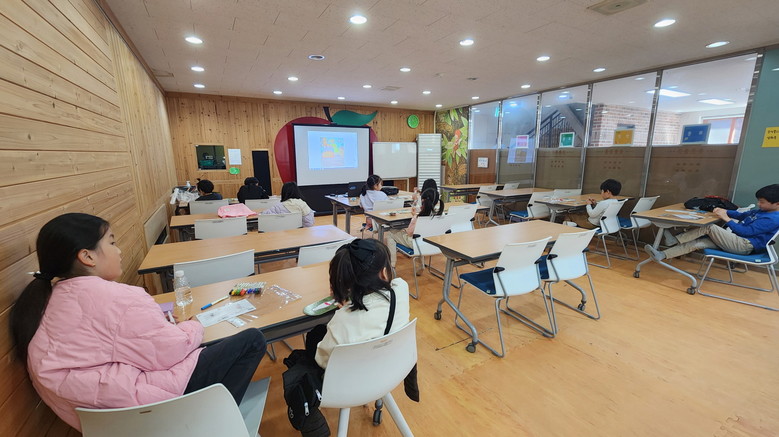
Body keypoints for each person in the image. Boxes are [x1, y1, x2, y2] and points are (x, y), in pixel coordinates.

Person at [9, 213, 267, 432]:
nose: (119, 251)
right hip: (152, 409)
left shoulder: (45, 301)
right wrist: (193, 324)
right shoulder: (120, 297)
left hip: (110, 423)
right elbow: (171, 350)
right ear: (87, 256)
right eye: (112, 243)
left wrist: (158, 325)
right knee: (252, 339)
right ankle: (217, 423)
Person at [285, 239, 410, 436]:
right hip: (391, 369)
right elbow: (375, 306)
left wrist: (346, 309)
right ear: (384, 273)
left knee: (315, 336)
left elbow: (322, 360)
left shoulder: (342, 321)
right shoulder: (401, 290)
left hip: (346, 387)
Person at [645, 184, 779, 261]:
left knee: (709, 227)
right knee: (698, 243)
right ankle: (662, 255)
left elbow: (744, 232)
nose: (758, 204)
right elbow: (741, 215)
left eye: (762, 202)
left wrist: (726, 218)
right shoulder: (762, 211)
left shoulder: (773, 219)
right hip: (736, 241)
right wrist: (724, 211)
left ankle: (673, 240)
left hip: (744, 245)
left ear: (777, 204)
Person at [386, 188, 445, 268]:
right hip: (434, 243)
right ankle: (420, 266)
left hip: (417, 244)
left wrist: (414, 217)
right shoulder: (442, 215)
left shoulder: (419, 218)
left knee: (391, 233)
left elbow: (409, 233)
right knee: (417, 236)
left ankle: (391, 264)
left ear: (423, 201)